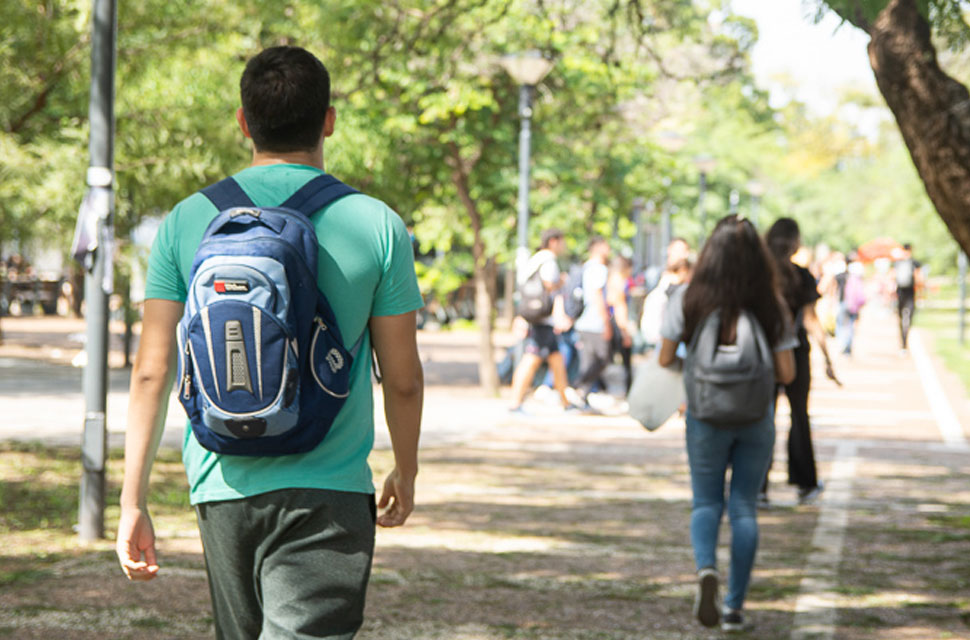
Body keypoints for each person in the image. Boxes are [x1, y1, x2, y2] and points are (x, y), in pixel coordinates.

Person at [115, 46, 424, 639]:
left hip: (222, 480)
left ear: (243, 121)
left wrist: (133, 500)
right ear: (328, 120)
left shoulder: (186, 220)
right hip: (329, 486)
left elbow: (151, 373)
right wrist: (404, 470)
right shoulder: (376, 223)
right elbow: (403, 378)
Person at [658, 215, 796, 632]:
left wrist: (697, 368)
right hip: (756, 417)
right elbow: (787, 372)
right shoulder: (771, 303)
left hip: (704, 416)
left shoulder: (688, 298)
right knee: (743, 508)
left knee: (705, 503)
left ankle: (705, 570)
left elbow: (665, 358)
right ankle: (734, 608)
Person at [763, 218, 838, 507]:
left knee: (763, 418)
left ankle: (758, 485)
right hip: (794, 352)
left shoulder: (760, 275)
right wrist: (828, 358)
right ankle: (805, 482)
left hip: (765, 355)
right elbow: (810, 319)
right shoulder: (800, 276)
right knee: (799, 417)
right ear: (795, 242)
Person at [508, 228, 575, 413]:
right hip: (543, 320)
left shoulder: (536, 258)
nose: (564, 246)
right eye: (562, 241)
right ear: (553, 241)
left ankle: (566, 402)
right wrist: (561, 282)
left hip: (541, 319)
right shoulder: (548, 260)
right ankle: (514, 403)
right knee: (531, 360)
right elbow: (549, 286)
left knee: (557, 360)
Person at [569, 236, 614, 408]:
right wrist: (606, 321)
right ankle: (578, 387)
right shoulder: (598, 269)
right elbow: (597, 296)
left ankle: (581, 394)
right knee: (603, 358)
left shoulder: (586, 267)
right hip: (594, 322)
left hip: (584, 321)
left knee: (589, 360)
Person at [893, 243, 923, 351]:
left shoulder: (897, 263)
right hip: (910, 293)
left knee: (901, 318)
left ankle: (903, 342)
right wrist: (920, 294)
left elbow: (892, 277)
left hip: (900, 293)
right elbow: (919, 279)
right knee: (909, 318)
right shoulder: (915, 263)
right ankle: (904, 340)